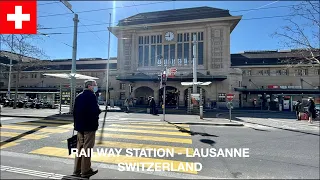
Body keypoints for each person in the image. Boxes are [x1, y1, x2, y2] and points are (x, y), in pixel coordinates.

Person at [73, 80, 101, 178]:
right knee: (87, 148)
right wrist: (99, 110)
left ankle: (77, 170)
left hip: (79, 127)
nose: (96, 87)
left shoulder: (78, 96)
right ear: (89, 86)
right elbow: (95, 110)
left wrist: (76, 125)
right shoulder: (91, 96)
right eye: (95, 85)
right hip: (89, 126)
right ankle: (86, 171)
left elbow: (74, 111)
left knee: (79, 148)